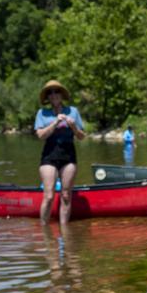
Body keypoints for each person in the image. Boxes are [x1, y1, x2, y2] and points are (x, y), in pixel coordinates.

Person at [33, 80, 86, 229]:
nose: (54, 94)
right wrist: (55, 123)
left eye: (57, 91)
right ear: (47, 97)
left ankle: (65, 231)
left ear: (62, 94)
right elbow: (40, 135)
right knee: (49, 196)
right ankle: (44, 230)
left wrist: (74, 126)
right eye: (50, 92)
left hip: (68, 155)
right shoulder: (42, 113)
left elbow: (82, 136)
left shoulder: (73, 112)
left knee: (66, 195)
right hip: (49, 155)